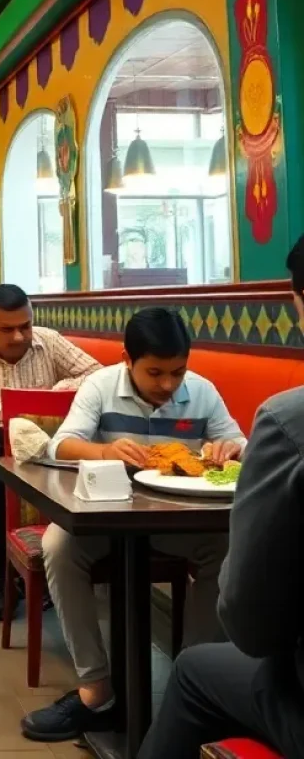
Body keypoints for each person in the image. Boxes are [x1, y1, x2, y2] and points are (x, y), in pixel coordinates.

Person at [22, 307, 243, 742]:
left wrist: (230, 449)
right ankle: (95, 689)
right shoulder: (99, 386)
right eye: (154, 372)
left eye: (177, 372)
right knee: (59, 546)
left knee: (227, 546)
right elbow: (62, 444)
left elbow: (239, 441)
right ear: (127, 359)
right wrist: (105, 452)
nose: (167, 385)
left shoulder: (202, 391)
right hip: (104, 516)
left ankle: (190, 683)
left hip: (178, 521)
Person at [136, 240, 304, 759]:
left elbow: (250, 625)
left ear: (297, 300)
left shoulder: (287, 421)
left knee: (193, 669)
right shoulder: (101, 387)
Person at [0, 283, 100, 620]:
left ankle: (51, 569)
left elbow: (95, 374)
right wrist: (3, 410)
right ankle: (4, 576)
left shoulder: (48, 340)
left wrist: (58, 390)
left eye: (24, 326)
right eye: (7, 329)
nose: (18, 337)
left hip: (39, 442)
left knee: (66, 473)